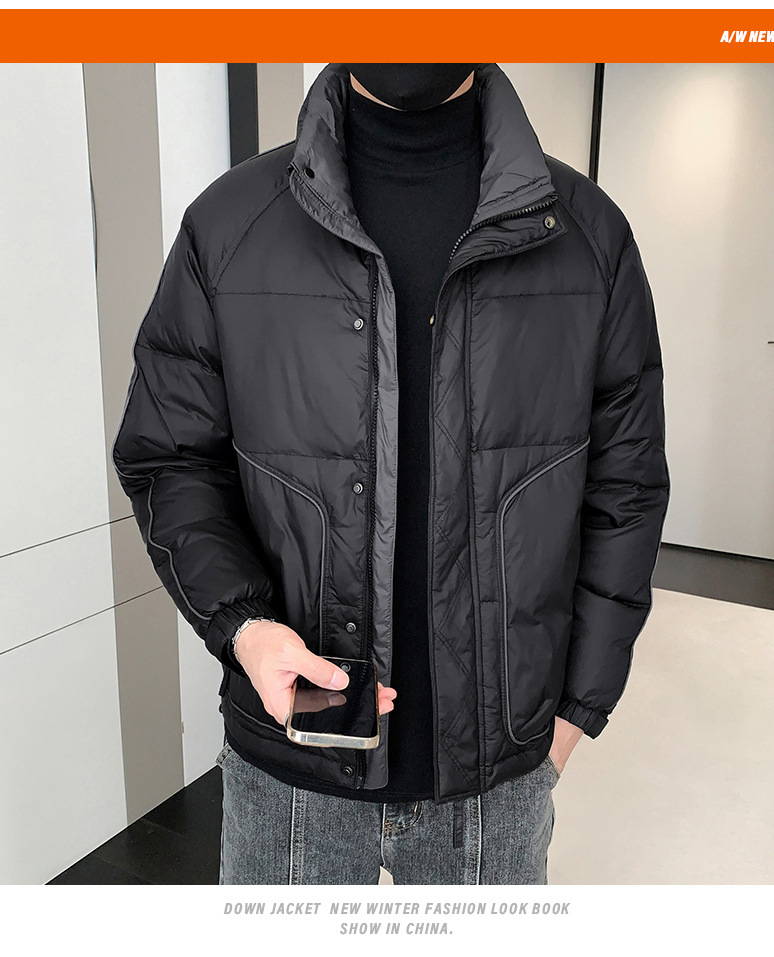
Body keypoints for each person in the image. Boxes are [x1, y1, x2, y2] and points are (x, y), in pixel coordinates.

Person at [112, 62, 670, 885]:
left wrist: (576, 711)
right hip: (290, 772)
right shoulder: (228, 225)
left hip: (496, 783)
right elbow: (170, 455)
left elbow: (626, 488)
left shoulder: (587, 235)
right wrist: (244, 625)